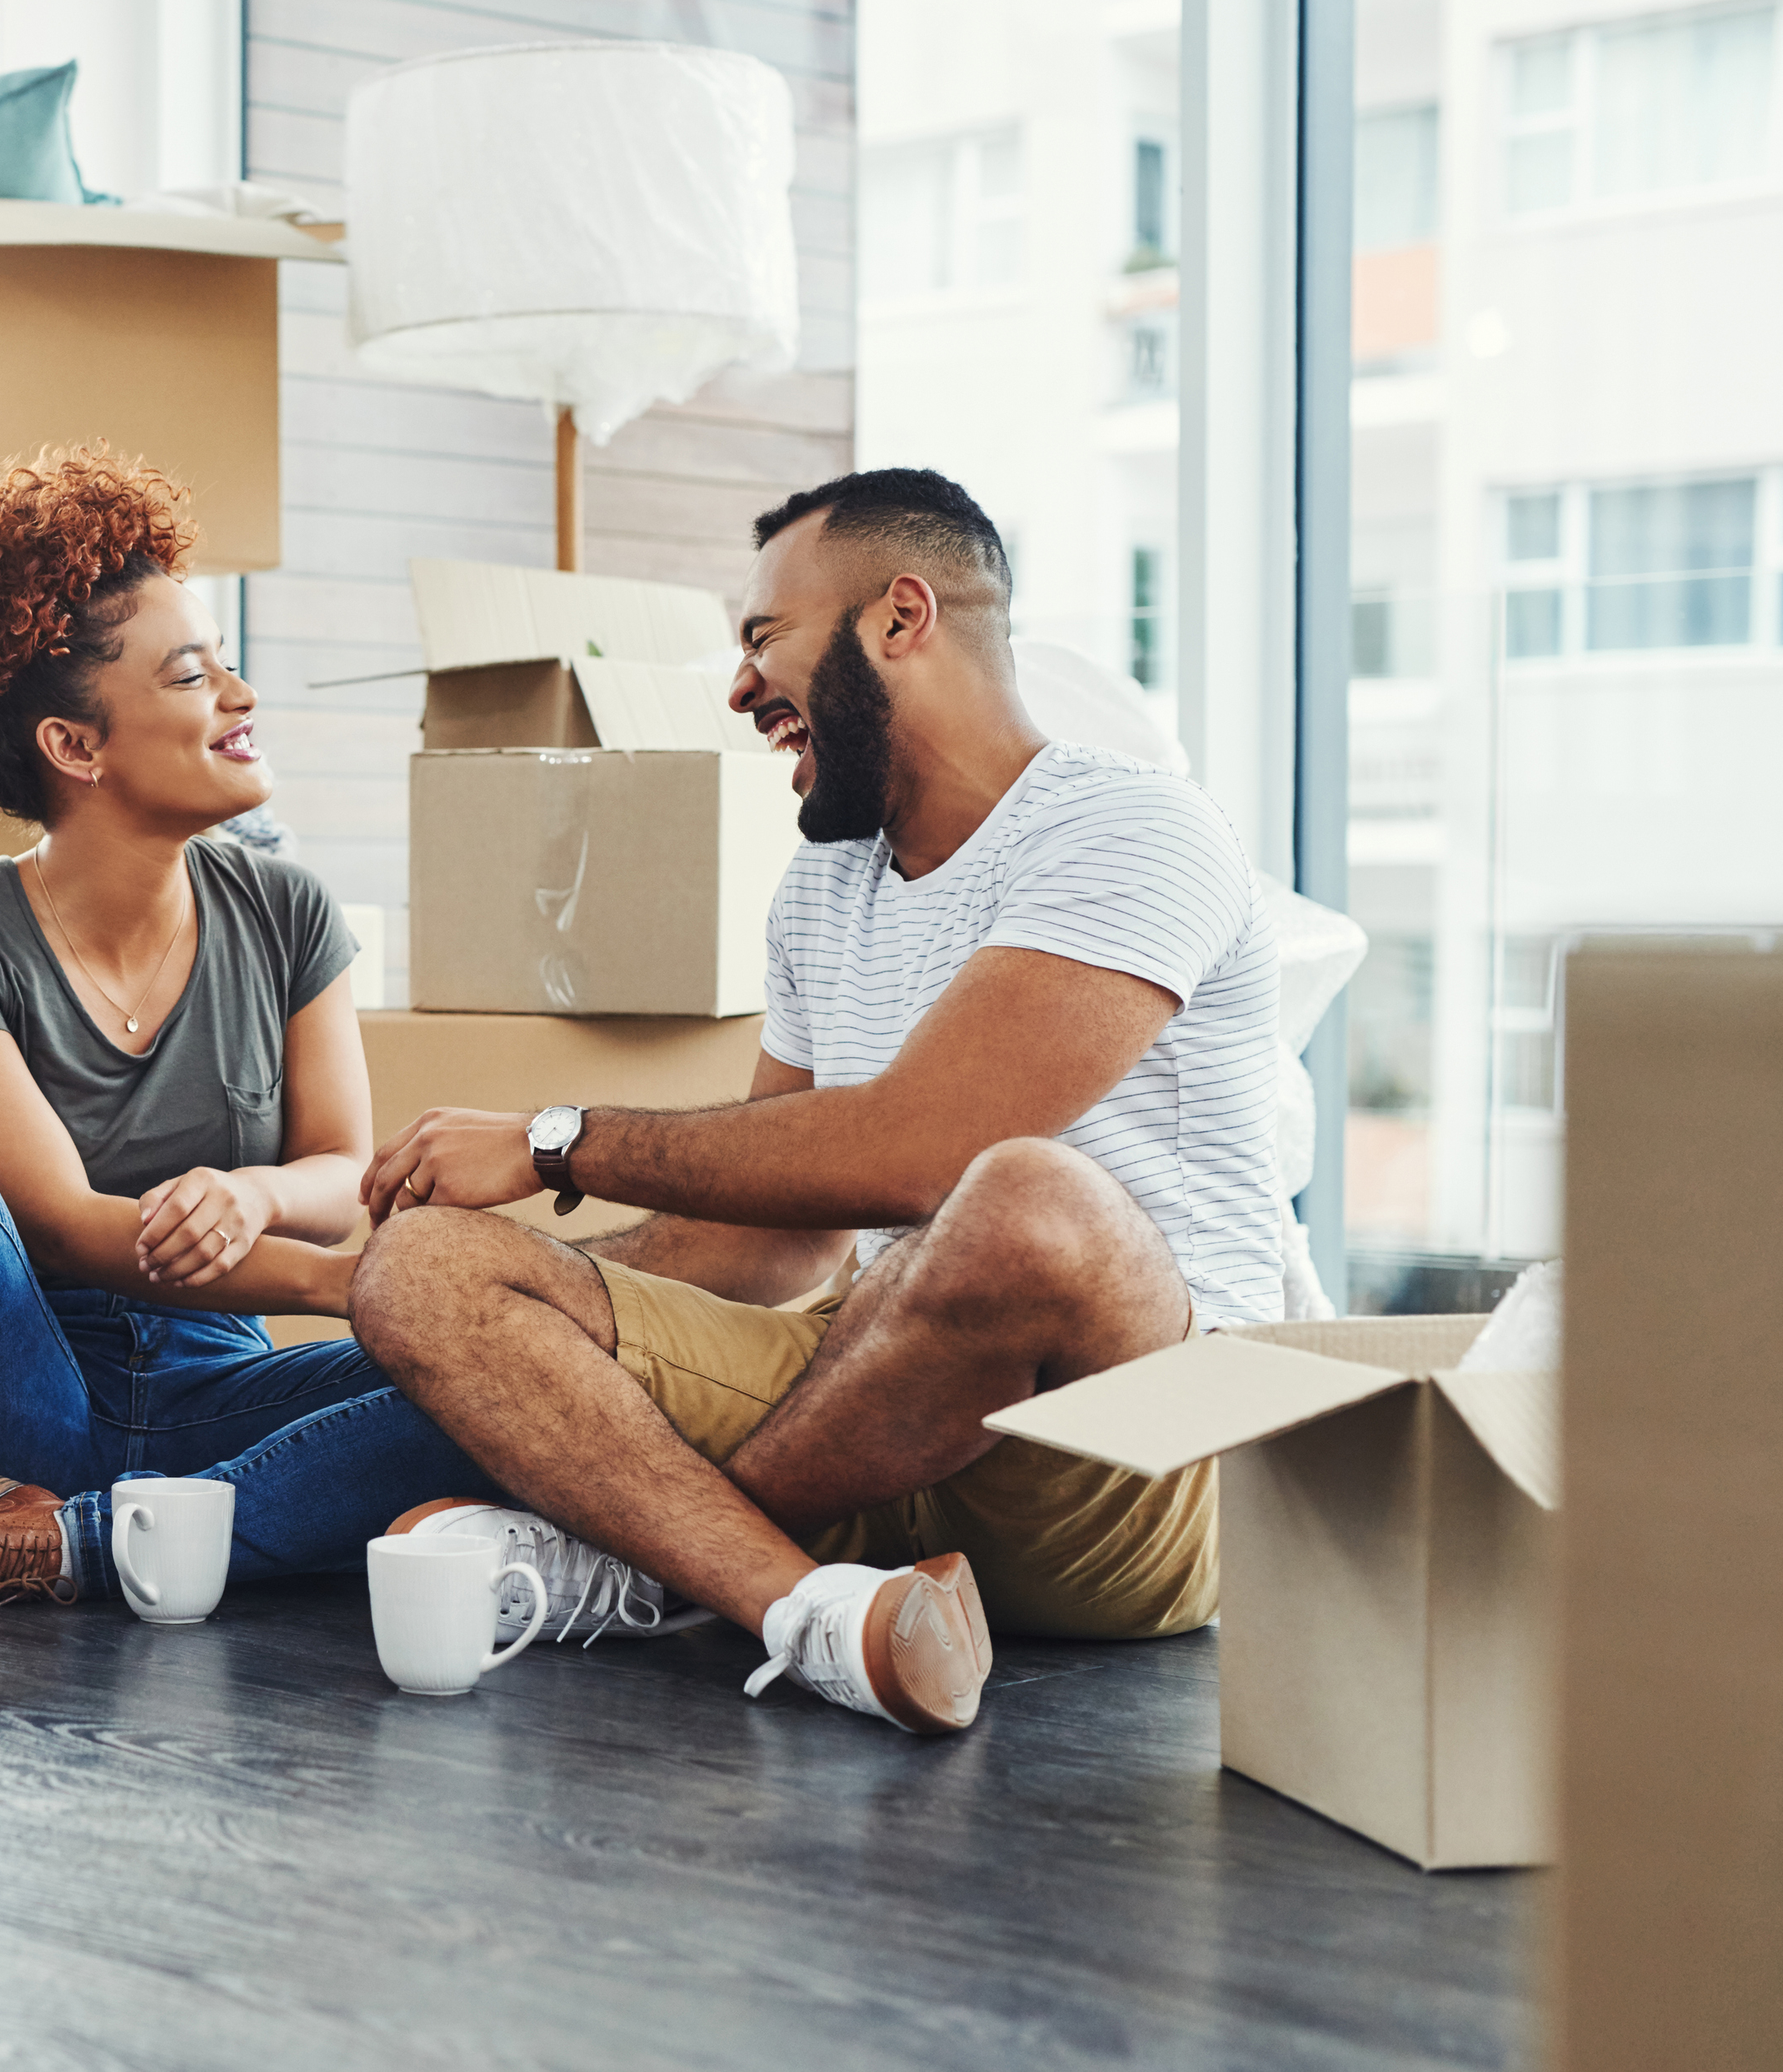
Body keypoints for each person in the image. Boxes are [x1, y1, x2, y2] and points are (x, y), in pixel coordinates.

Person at [350, 467, 1277, 1738]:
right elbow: (767, 1244)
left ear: (901, 617)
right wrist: (518, 1292)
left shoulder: (1132, 828)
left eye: (762, 638)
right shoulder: (824, 889)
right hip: (878, 1412)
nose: (740, 689)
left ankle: (658, 1572)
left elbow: (920, 1155)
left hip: (1140, 1451)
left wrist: (556, 1142)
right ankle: (809, 1606)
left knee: (1027, 1202)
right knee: (422, 1271)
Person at [0, 450, 542, 1701]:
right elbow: (65, 1229)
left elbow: (337, 1173)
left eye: (224, 662)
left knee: (516, 1379)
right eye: (192, 674)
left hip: (218, 1386)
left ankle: (53, 1547)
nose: (240, 695)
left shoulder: (288, 911)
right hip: (24, 1387)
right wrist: (343, 1284)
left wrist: (258, 1196)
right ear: (73, 744)